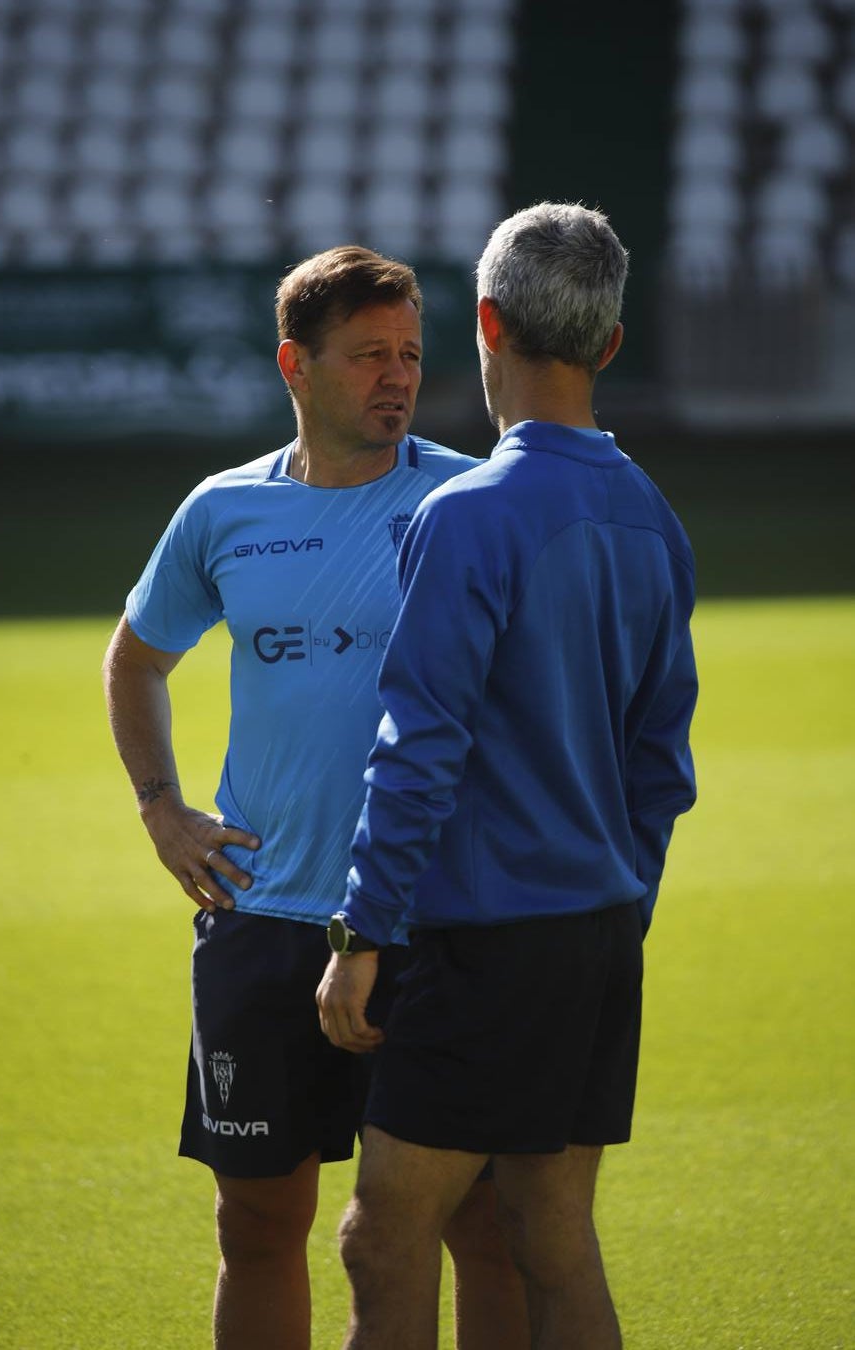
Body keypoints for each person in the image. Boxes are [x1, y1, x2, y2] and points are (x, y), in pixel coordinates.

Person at [102, 245, 529, 1350]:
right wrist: (162, 807)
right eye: (367, 357)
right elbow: (136, 658)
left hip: (430, 929)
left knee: (478, 1225)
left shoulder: (462, 500)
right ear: (296, 364)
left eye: (411, 355)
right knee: (257, 1222)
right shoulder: (222, 512)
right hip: (261, 924)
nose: (397, 377)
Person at [317, 203, 699, 1350]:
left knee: (382, 1238)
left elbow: (418, 746)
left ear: (484, 322)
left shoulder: (466, 514)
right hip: (594, 932)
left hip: (485, 943)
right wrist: (619, 905)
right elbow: (660, 766)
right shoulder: (653, 519)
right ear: (612, 345)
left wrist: (359, 936)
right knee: (551, 1233)